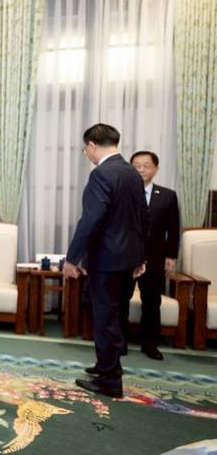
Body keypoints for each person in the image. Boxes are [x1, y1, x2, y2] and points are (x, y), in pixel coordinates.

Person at [62, 123, 148, 399]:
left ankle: (111, 381)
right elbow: (143, 218)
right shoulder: (132, 174)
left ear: (91, 145)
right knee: (114, 316)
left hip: (107, 261)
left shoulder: (102, 174)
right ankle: (104, 365)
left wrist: (72, 258)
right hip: (126, 260)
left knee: (105, 319)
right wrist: (140, 255)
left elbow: (91, 220)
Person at [129, 150, 180, 360]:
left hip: (155, 258)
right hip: (127, 257)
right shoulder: (123, 193)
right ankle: (118, 341)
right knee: (121, 300)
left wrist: (171, 255)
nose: (141, 169)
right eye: (136, 165)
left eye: (146, 165)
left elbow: (173, 228)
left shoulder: (167, 196)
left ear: (156, 169)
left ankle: (150, 343)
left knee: (152, 302)